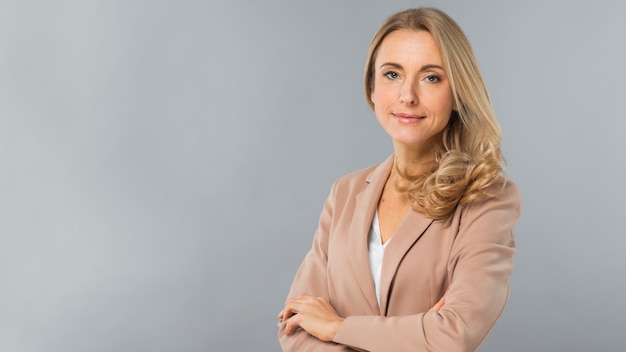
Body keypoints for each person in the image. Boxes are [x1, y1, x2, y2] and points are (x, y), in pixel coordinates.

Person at [277, 7, 521, 352]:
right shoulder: (344, 193)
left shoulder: (487, 200)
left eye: (431, 77)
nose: (407, 95)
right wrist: (416, 334)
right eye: (392, 74)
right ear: (372, 88)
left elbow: (453, 335)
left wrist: (337, 327)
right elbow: (296, 324)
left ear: (458, 94)